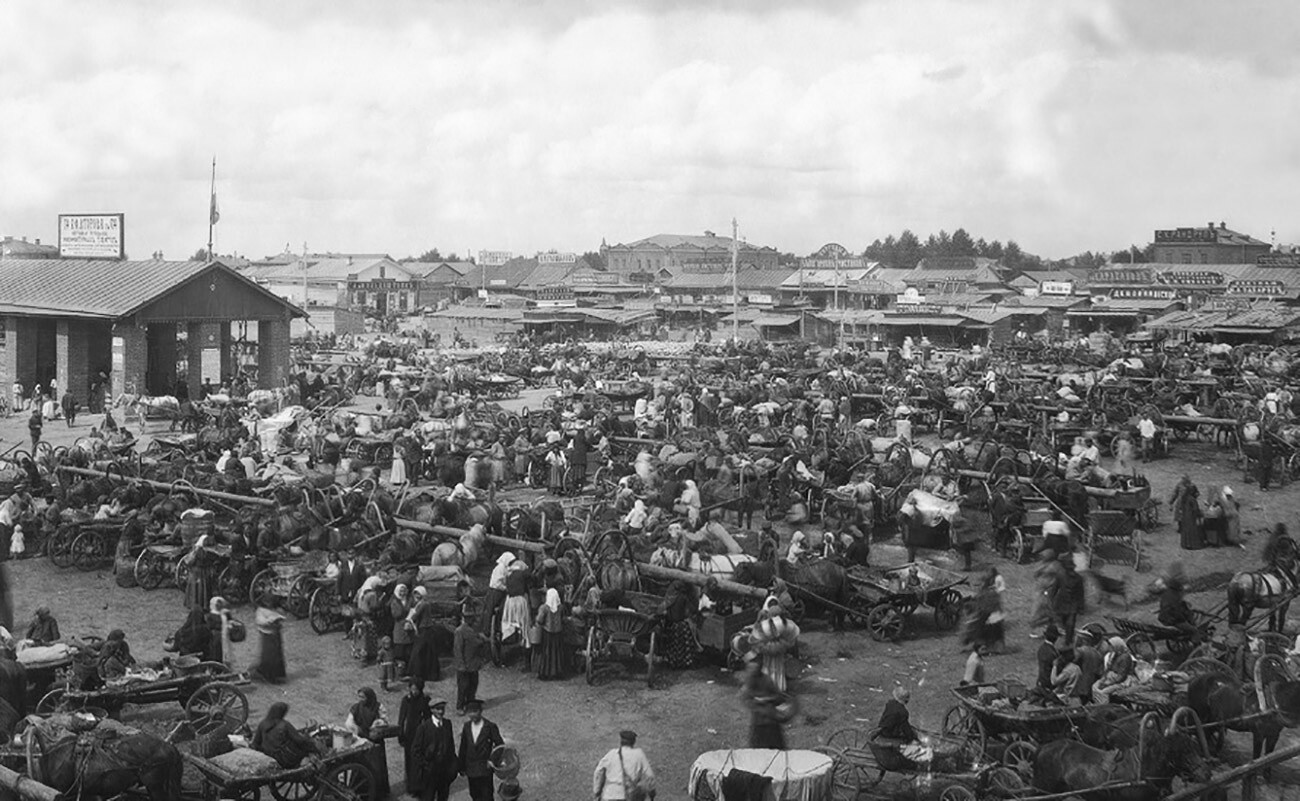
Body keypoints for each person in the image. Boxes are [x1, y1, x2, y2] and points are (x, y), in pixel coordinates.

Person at [458, 699, 504, 801]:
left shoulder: (490, 726)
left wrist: (492, 760)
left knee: (487, 795)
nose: (472, 715)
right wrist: (461, 766)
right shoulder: (466, 727)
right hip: (471, 768)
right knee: (474, 795)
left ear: (480, 711)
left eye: (475, 712)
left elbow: (500, 745)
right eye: (470, 712)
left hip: (485, 769)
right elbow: (463, 747)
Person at [412, 697, 457, 801]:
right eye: (437, 709)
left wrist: (453, 766)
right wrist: (425, 765)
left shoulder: (447, 724)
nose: (440, 711)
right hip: (429, 772)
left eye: (442, 708)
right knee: (427, 797)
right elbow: (415, 751)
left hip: (444, 771)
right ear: (432, 710)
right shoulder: (423, 728)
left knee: (443, 797)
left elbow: (451, 746)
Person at [592, 730, 657, 801]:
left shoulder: (611, 754)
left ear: (621, 742)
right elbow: (650, 776)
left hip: (609, 795)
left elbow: (598, 772)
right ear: (633, 742)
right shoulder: (639, 754)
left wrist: (597, 791)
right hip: (629, 796)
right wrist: (651, 792)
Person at [252, 702, 320, 768]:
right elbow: (299, 740)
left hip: (270, 756)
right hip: (286, 759)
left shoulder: (263, 724)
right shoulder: (284, 725)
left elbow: (256, 744)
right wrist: (313, 747)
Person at [740, 661, 789, 749]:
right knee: (758, 751)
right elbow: (746, 699)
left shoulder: (767, 680)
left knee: (775, 749)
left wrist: (766, 699)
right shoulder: (749, 682)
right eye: (750, 669)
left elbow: (779, 697)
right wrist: (755, 702)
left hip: (771, 721)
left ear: (759, 669)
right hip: (758, 723)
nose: (752, 671)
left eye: (754, 669)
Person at [398, 678, 432, 793]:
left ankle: (420, 786)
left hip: (421, 733)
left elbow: (429, 718)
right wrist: (400, 734)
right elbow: (402, 718)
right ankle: (410, 787)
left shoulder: (426, 700)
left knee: (420, 759)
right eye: (412, 689)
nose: (414, 692)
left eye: (416, 689)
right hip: (409, 734)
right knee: (409, 759)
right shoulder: (406, 700)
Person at [452, 614, 490, 715]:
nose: (471, 619)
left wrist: (483, 639)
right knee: (463, 686)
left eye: (472, 617)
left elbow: (478, 642)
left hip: (474, 664)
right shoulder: (460, 631)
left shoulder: (474, 629)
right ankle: (460, 706)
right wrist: (461, 664)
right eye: (468, 617)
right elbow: (458, 649)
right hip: (464, 664)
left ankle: (470, 703)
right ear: (464, 618)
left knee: (473, 684)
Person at [658, 580, 698, 670]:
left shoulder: (668, 597)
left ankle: (671, 662)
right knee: (686, 642)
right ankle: (684, 663)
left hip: (670, 625)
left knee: (671, 644)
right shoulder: (683, 597)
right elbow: (688, 612)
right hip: (680, 625)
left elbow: (661, 610)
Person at [502, 559, 533, 672]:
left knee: (509, 625)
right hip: (520, 602)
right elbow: (531, 581)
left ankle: (505, 654)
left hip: (509, 603)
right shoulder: (523, 573)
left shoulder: (509, 575)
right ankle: (527, 662)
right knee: (525, 629)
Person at [1050, 554, 1085, 645]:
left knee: (1070, 624)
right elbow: (1054, 588)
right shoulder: (1060, 576)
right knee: (1062, 623)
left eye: (1071, 568)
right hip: (1061, 603)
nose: (1071, 571)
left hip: (1072, 605)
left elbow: (1080, 594)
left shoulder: (1078, 579)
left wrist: (1081, 607)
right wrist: (1051, 599)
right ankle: (1063, 636)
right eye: (1069, 569)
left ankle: (1068, 642)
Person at [252, 594, 287, 684]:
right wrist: (270, 620)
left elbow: (282, 615)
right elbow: (260, 621)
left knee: (277, 656)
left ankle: (277, 674)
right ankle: (268, 676)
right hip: (267, 635)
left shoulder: (276, 610)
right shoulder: (260, 611)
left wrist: (279, 619)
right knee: (269, 656)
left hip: (275, 635)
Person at [534, 588, 567, 680]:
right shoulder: (561, 608)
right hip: (558, 633)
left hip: (547, 633)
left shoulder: (544, 608)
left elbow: (539, 620)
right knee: (557, 653)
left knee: (547, 653)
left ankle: (546, 672)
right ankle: (557, 672)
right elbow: (564, 620)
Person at [1093, 636, 1137, 703]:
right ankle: (1097, 702)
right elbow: (1109, 668)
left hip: (1121, 682)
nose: (1111, 648)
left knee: (1103, 692)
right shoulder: (1114, 655)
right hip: (1110, 678)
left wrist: (1109, 684)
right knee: (1094, 686)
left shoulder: (1125, 657)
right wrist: (1103, 680)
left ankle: (1104, 705)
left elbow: (1122, 676)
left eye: (1112, 646)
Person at [1171, 476, 1203, 550]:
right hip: (1189, 514)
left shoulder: (1192, 487)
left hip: (1185, 512)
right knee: (1188, 527)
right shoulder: (1180, 486)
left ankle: (1185, 543)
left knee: (1184, 526)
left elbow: (1197, 493)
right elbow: (1175, 494)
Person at [1074, 633, 1104, 705]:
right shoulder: (1098, 654)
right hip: (1090, 687)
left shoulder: (1080, 651)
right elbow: (1100, 673)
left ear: (1083, 640)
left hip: (1078, 686)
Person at [390, 584, 414, 677]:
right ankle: (399, 672)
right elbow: (396, 614)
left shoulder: (409, 600)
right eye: (401, 591)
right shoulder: (395, 602)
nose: (402, 593)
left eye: (404, 591)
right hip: (399, 626)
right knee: (400, 649)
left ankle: (408, 670)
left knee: (408, 649)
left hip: (408, 625)